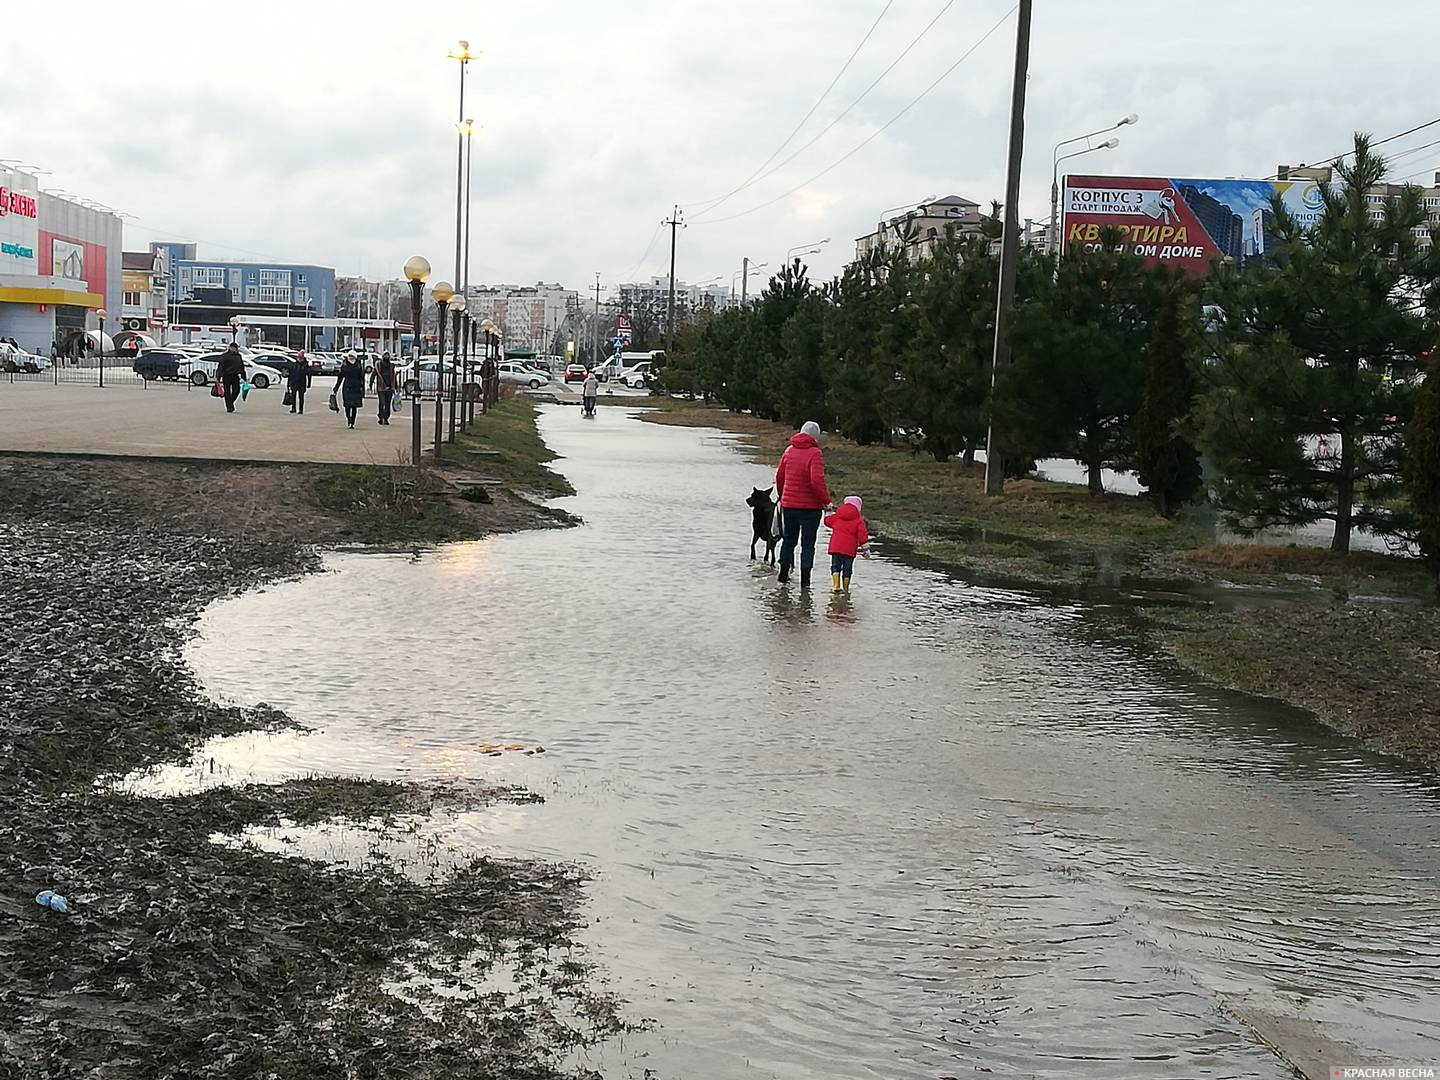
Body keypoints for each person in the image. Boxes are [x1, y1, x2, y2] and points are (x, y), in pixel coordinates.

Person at [774, 420, 832, 589]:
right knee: (808, 545)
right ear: (815, 436)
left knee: (788, 541)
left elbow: (779, 476)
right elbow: (816, 481)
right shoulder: (815, 454)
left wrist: (782, 495)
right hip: (810, 509)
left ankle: (783, 577)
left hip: (789, 505)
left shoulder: (789, 451)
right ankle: (805, 584)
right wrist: (826, 501)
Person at [824, 496, 870, 594]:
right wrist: (866, 550)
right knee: (847, 568)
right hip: (849, 550)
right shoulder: (859, 521)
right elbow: (863, 536)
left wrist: (828, 511)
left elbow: (827, 521)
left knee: (835, 566)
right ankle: (845, 589)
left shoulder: (837, 516)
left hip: (835, 547)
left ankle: (836, 585)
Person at [334, 352, 366, 429]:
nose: (350, 358)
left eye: (352, 356)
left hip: (356, 388)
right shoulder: (344, 365)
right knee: (347, 406)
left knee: (354, 406)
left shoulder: (358, 365)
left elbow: (362, 378)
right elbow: (340, 377)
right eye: (349, 356)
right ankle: (348, 419)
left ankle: (353, 422)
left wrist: (362, 389)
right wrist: (336, 388)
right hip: (347, 387)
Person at [217, 343, 247, 413]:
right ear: (230, 348)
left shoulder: (238, 356)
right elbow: (221, 367)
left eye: (235, 348)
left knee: (237, 390)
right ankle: (229, 407)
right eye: (233, 348)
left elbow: (241, 367)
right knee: (227, 392)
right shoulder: (225, 356)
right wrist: (218, 377)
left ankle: (230, 403)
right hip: (227, 376)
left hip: (235, 375)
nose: (234, 349)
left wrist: (244, 377)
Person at [374, 352, 396, 425]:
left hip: (389, 388)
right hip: (381, 387)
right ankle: (381, 417)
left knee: (387, 404)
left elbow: (393, 376)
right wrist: (370, 384)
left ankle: (386, 418)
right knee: (382, 403)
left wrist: (395, 386)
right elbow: (374, 374)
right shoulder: (378, 365)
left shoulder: (391, 366)